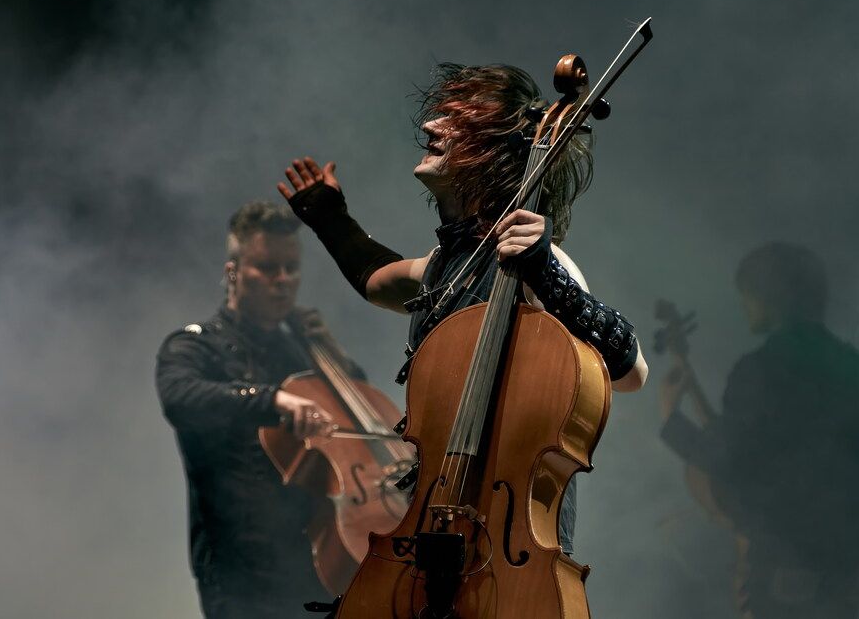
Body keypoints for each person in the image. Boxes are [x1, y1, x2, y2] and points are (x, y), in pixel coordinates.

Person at [276, 62, 649, 556]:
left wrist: (546, 273)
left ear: (494, 150)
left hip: (504, 544)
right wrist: (329, 216)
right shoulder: (445, 266)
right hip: (434, 522)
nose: (431, 127)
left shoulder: (537, 262)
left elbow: (631, 372)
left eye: (456, 120)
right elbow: (375, 276)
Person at [658, 242, 859, 619]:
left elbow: (730, 460)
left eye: (749, 296)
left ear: (770, 295)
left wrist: (669, 417)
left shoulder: (761, 368)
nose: (745, 307)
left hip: (789, 560)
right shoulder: (851, 363)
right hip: (850, 568)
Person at [156, 201, 364, 618]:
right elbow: (182, 396)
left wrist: (334, 357)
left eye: (291, 268)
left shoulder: (299, 349)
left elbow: (362, 415)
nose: (283, 280)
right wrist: (273, 399)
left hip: (315, 557)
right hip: (240, 569)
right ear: (233, 271)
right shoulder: (195, 345)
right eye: (268, 268)